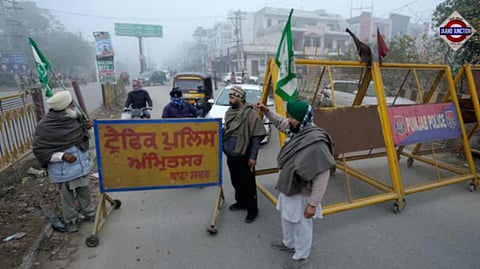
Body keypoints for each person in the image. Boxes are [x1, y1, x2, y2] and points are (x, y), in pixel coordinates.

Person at [257, 100, 335, 269]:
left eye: (292, 117)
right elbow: (279, 121)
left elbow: (322, 176)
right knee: (287, 217)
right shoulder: (297, 129)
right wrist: (266, 110)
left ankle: (301, 256)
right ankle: (289, 243)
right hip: (288, 186)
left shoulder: (317, 142)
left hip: (303, 192)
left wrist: (313, 204)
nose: (288, 119)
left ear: (303, 118)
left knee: (302, 225)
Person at [32, 91, 95, 233]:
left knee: (84, 191)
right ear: (63, 107)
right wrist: (62, 156)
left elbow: (82, 133)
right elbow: (40, 150)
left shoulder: (74, 117)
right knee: (67, 198)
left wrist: (86, 125)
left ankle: (89, 213)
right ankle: (71, 220)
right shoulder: (45, 126)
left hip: (80, 165)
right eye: (70, 103)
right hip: (63, 170)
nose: (74, 105)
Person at [223, 85, 267, 223]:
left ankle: (252, 210)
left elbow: (256, 137)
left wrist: (253, 157)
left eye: (232, 97)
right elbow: (227, 131)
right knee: (236, 181)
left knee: (248, 184)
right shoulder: (229, 112)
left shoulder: (250, 114)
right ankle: (240, 202)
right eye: (229, 96)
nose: (229, 99)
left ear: (240, 98)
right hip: (231, 155)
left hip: (245, 155)